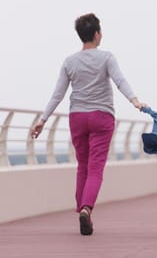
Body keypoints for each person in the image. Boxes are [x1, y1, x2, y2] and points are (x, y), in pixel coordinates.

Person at [30, 13, 146, 236]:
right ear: (96, 34)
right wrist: (134, 100)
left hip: (78, 118)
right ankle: (86, 208)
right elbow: (120, 80)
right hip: (102, 117)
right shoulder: (106, 57)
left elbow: (58, 94)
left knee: (82, 165)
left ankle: (83, 211)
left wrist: (43, 120)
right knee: (95, 168)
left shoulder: (70, 61)